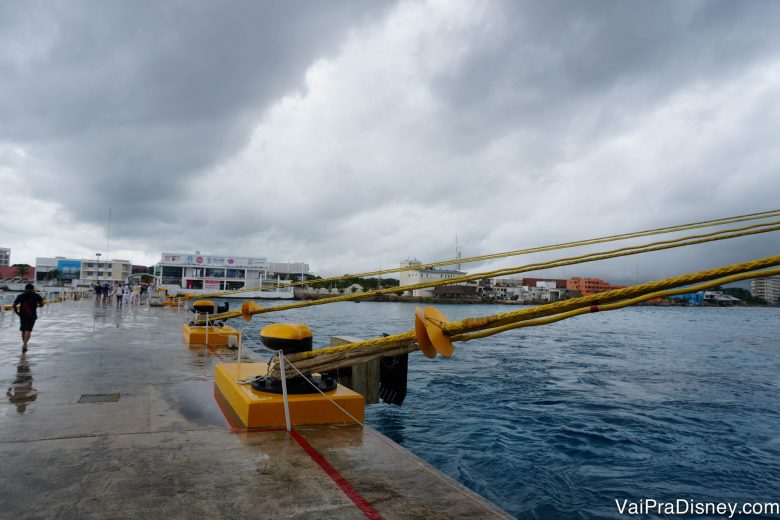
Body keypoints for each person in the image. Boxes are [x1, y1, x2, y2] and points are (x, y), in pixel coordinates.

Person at [12, 284, 44, 352]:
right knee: (28, 330)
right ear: (32, 289)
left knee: (23, 330)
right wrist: (37, 306)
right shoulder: (36, 295)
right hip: (32, 315)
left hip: (22, 315)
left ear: (25, 288)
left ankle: (24, 344)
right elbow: (42, 304)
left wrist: (17, 313)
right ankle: (25, 344)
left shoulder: (21, 295)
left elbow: (14, 305)